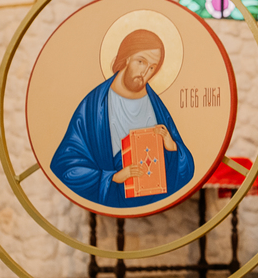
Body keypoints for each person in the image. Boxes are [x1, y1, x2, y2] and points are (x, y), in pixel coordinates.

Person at [50, 28, 194, 209]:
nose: (145, 72)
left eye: (152, 67)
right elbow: (66, 165)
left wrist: (172, 147)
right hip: (114, 197)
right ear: (126, 58)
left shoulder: (156, 105)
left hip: (153, 199)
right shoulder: (95, 105)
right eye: (141, 62)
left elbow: (185, 168)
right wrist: (113, 177)